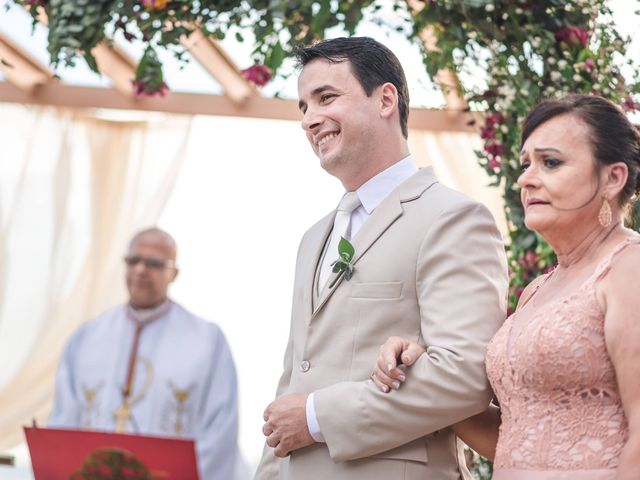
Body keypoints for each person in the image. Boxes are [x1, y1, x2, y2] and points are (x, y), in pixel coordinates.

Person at [255, 36, 508, 480]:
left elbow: (463, 376)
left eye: (326, 98)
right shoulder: (314, 237)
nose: (310, 120)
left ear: (385, 99)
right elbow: (292, 386)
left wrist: (316, 417)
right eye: (303, 107)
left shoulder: (453, 219)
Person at [372, 94, 640, 479]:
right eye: (526, 163)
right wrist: (422, 368)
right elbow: (518, 439)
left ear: (613, 178)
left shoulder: (629, 268)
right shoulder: (535, 291)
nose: (526, 178)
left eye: (550, 162)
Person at [49, 227, 248, 480]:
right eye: (133, 260)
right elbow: (64, 423)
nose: (140, 270)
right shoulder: (86, 338)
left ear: (174, 273)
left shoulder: (207, 342)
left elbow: (221, 432)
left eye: (153, 263)